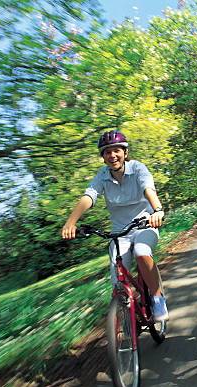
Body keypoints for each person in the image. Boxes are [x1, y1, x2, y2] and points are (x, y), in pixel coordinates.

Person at [61, 130, 169, 321]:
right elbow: (89, 196)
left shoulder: (137, 168)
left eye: (116, 150)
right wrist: (71, 222)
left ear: (125, 153)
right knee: (117, 279)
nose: (112, 155)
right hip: (120, 233)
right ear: (103, 157)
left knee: (142, 252)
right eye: (107, 152)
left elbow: (148, 189)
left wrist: (158, 210)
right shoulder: (102, 176)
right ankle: (123, 317)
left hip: (145, 224)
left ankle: (157, 297)